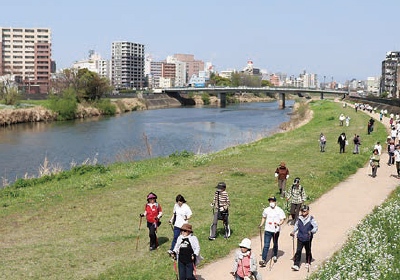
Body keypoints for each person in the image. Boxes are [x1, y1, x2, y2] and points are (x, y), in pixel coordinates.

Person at [258, 196, 285, 267]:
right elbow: (264, 217)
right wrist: (261, 224)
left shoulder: (279, 210)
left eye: (272, 201)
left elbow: (283, 219)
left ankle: (275, 255)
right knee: (266, 245)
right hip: (267, 230)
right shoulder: (266, 210)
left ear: (275, 202)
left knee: (275, 243)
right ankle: (263, 260)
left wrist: (279, 223)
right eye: (270, 201)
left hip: (275, 230)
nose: (271, 203)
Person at [290, 205, 318, 271]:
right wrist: (293, 232)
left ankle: (308, 261)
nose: (303, 212)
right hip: (300, 236)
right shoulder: (299, 218)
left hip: (308, 237)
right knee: (298, 250)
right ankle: (296, 264)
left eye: (304, 211)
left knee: (308, 250)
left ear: (308, 211)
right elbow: (296, 226)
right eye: (302, 211)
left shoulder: (311, 219)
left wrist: (311, 231)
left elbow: (315, 227)